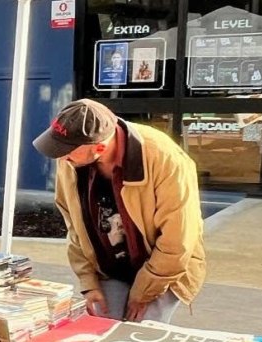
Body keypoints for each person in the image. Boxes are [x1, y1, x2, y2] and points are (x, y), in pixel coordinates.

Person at [33, 99, 206, 323]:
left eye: (67, 152)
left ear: (100, 148)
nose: (61, 157)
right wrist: (88, 282)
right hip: (109, 266)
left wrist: (143, 292)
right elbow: (75, 228)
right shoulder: (69, 160)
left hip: (164, 268)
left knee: (140, 333)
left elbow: (178, 240)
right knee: (101, 328)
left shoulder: (167, 159)